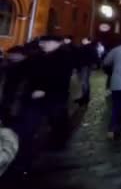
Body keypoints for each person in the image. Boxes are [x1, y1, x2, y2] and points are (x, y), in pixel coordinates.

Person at [11, 35, 74, 174]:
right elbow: (24, 70)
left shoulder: (65, 57)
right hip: (34, 98)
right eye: (41, 42)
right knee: (28, 128)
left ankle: (58, 142)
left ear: (56, 43)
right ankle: (23, 161)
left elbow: (61, 77)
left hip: (54, 97)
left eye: (46, 42)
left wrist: (45, 89)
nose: (42, 45)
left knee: (57, 120)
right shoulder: (38, 56)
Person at [0, 46, 28, 124]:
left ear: (23, 55)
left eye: (13, 54)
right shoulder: (7, 65)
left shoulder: (27, 66)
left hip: (17, 96)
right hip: (6, 94)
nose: (10, 56)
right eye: (10, 54)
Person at [74, 37, 99, 106]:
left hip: (85, 66)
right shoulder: (84, 47)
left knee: (84, 82)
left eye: (84, 40)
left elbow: (94, 58)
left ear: (89, 41)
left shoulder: (89, 48)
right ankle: (84, 97)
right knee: (84, 82)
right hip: (83, 66)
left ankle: (85, 98)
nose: (83, 40)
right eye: (83, 39)